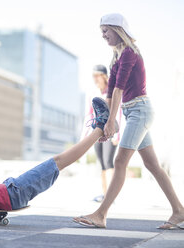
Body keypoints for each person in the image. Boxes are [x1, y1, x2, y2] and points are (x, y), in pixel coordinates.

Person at [73, 13, 184, 230]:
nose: (103, 35)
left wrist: (112, 122)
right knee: (152, 165)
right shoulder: (115, 58)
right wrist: (104, 121)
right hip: (133, 112)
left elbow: (118, 89)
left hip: (140, 110)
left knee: (120, 161)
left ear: (117, 29)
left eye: (106, 30)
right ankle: (179, 211)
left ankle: (100, 214)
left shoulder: (130, 53)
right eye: (101, 31)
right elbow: (109, 94)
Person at [81, 65, 121, 203]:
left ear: (103, 76)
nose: (94, 79)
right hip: (97, 132)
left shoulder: (111, 93)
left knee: (109, 161)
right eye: (92, 76)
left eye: (96, 76)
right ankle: (105, 195)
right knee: (102, 163)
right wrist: (84, 136)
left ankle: (111, 196)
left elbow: (119, 113)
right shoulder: (93, 94)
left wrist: (117, 134)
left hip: (110, 132)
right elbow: (89, 115)